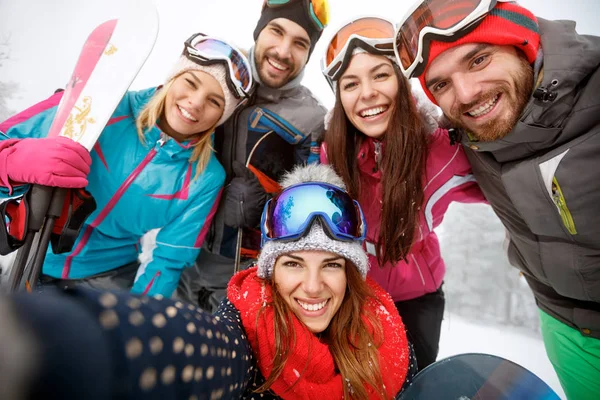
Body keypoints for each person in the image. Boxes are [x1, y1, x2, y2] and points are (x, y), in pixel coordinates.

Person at [0, 164, 416, 400]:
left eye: (330, 265)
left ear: (351, 271)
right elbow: (187, 346)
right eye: (292, 263)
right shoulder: (248, 329)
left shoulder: (386, 335)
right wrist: (63, 341)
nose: (312, 286)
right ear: (269, 269)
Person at [395, 0, 600, 398]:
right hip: (563, 325)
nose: (467, 93)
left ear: (521, 43)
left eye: (479, 60)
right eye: (441, 84)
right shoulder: (466, 137)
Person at [0, 33, 252, 297]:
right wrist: (22, 159)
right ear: (173, 78)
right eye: (191, 82)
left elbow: (168, 262)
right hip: (33, 253)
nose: (196, 102)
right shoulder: (103, 107)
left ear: (223, 115)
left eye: (215, 101)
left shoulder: (205, 178)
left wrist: (142, 315)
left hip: (109, 282)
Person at [320, 16, 485, 370]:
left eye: (380, 75)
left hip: (418, 298)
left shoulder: (443, 151)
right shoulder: (330, 156)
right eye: (350, 84)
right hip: (353, 294)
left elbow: (507, 186)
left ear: (401, 80)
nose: (367, 93)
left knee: (412, 382)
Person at [177, 0, 330, 312]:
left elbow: (311, 211)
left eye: (300, 43)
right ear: (259, 29)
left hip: (244, 279)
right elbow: (161, 114)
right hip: (177, 257)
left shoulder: (311, 118)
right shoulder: (219, 74)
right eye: (276, 31)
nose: (284, 52)